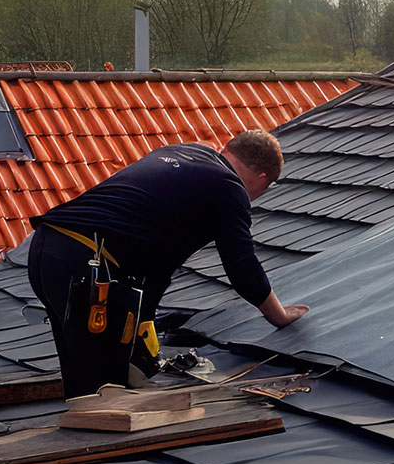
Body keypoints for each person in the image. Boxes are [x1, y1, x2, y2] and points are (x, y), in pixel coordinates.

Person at [26, 130, 308, 397]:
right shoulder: (228, 186)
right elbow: (241, 264)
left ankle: (85, 428)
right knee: (104, 390)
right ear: (262, 177)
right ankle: (97, 441)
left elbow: (159, 265)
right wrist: (278, 315)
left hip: (46, 248)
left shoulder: (185, 153)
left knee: (83, 374)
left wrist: (143, 323)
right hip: (88, 264)